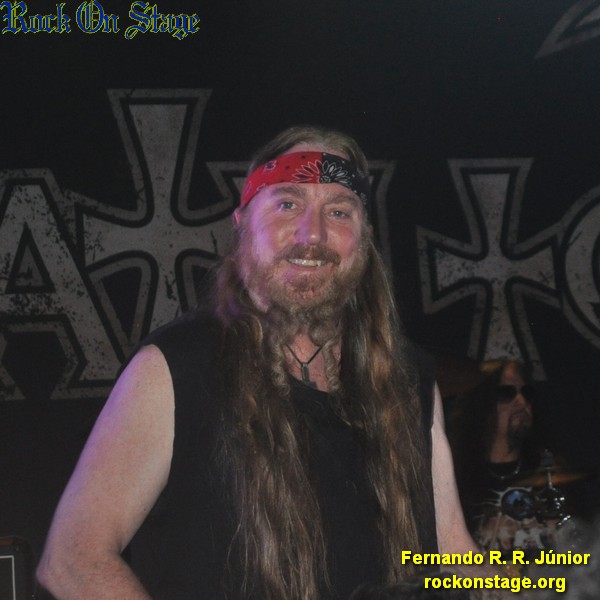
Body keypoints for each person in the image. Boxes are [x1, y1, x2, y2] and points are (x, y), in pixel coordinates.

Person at [37, 126, 478, 600]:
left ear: (365, 236)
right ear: (242, 223)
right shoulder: (175, 367)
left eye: (338, 211)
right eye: (287, 204)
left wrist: (531, 580)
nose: (313, 234)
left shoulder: (406, 377)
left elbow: (455, 557)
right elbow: (73, 560)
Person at [447, 359, 556, 557]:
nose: (521, 401)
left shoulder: (550, 473)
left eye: (527, 392)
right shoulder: (457, 481)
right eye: (507, 393)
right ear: (482, 403)